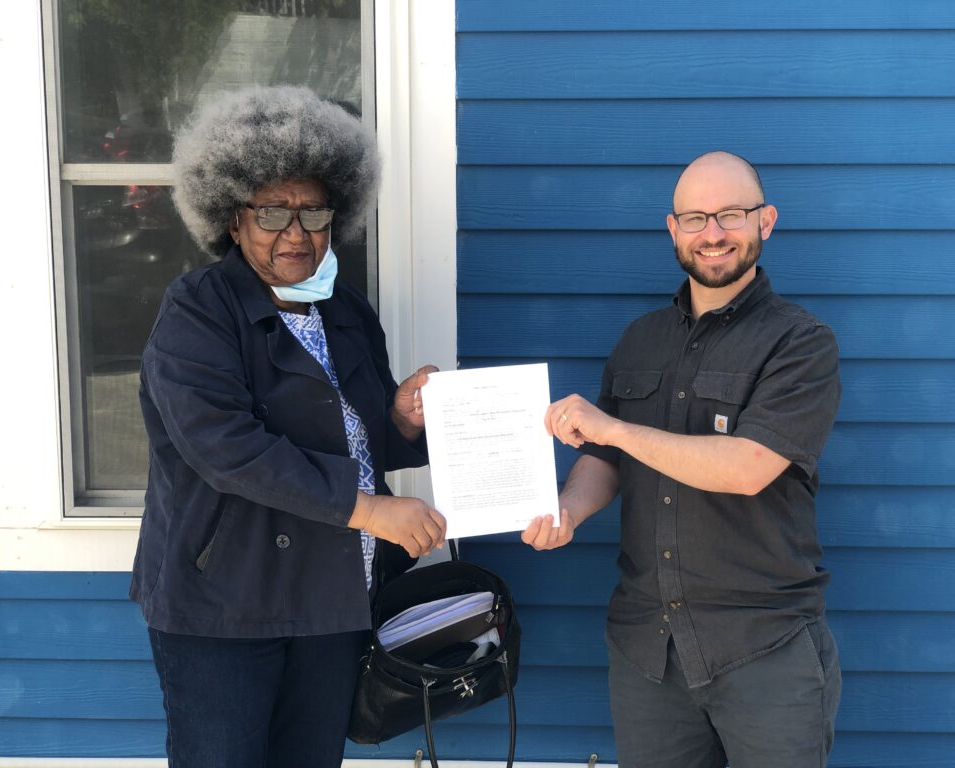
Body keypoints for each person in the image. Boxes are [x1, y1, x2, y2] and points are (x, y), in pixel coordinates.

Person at [129, 85, 447, 768]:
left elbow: (361, 440)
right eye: (272, 211)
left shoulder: (346, 311)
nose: (295, 234)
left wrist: (401, 415)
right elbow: (226, 449)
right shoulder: (197, 311)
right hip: (225, 606)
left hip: (329, 601)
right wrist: (369, 511)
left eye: (313, 211)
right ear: (233, 218)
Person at [522, 151, 842, 768]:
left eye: (731, 214)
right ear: (673, 230)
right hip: (649, 654)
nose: (713, 233)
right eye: (695, 217)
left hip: (764, 650)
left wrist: (612, 426)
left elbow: (748, 467)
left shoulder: (801, 343)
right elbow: (605, 459)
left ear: (765, 222)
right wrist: (567, 509)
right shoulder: (640, 340)